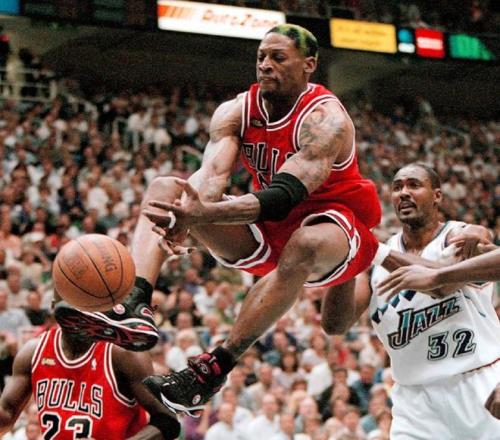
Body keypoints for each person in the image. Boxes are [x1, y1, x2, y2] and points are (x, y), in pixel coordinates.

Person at [55, 23, 382, 416]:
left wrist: (203, 214)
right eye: (261, 57)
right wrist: (186, 214)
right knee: (165, 189)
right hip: (269, 231)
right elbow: (210, 177)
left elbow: (282, 197)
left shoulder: (326, 118)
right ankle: (133, 304)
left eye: (278, 57)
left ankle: (213, 369)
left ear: (308, 64)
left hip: (335, 226)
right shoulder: (236, 110)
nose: (265, 65)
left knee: (316, 270)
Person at [328, 163, 500, 439]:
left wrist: (374, 250)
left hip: (478, 384)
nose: (404, 193)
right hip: (415, 402)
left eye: (414, 185)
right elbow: (335, 325)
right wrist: (345, 257)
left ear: (437, 196)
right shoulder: (372, 265)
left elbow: (443, 284)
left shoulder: (459, 236)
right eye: (397, 187)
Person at [0, 294, 181, 439]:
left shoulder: (123, 353)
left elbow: (168, 420)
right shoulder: (33, 351)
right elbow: (6, 413)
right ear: (55, 306)